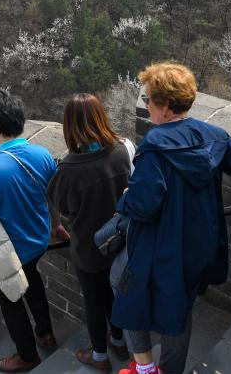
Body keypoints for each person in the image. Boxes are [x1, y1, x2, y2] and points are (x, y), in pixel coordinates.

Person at [113, 62, 231, 374]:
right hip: (203, 239)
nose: (146, 106)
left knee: (125, 286)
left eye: (147, 100)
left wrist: (125, 199)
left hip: (163, 243)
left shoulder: (154, 148)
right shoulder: (214, 136)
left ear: (164, 105)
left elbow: (146, 204)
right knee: (181, 305)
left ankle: (147, 369)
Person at [0, 89, 59, 373]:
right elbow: (52, 196)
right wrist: (58, 225)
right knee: (34, 282)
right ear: (22, 121)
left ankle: (27, 355)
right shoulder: (43, 155)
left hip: (10, 251)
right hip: (40, 240)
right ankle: (46, 333)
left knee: (10, 298)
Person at [47, 94, 133, 372]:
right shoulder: (121, 151)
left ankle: (99, 356)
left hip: (88, 249)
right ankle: (118, 340)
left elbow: (60, 205)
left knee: (94, 302)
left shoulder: (68, 170)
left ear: (69, 125)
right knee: (118, 293)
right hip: (120, 240)